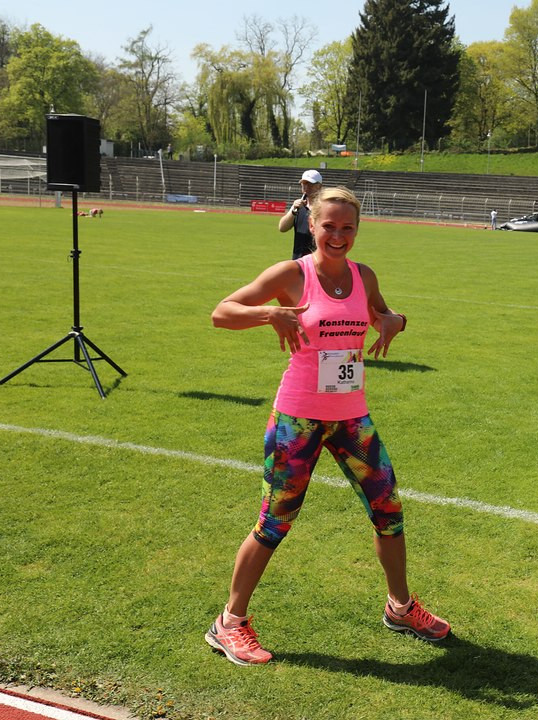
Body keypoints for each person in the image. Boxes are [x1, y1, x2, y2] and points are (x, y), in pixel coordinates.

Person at [206, 186, 450, 666]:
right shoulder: (291, 275)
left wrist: (395, 321)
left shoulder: (363, 275)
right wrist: (269, 313)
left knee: (389, 509)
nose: (338, 236)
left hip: (351, 419)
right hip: (297, 420)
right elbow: (222, 313)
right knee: (275, 522)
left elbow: (384, 313)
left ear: (356, 230)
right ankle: (229, 623)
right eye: (329, 226)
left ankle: (400, 608)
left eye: (347, 227)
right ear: (311, 226)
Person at [278, 169, 323, 259]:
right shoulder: (298, 206)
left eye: (310, 184)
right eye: (304, 183)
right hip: (298, 260)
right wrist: (293, 211)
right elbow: (282, 228)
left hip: (317, 260)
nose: (306, 187)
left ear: (319, 186)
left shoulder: (324, 207)